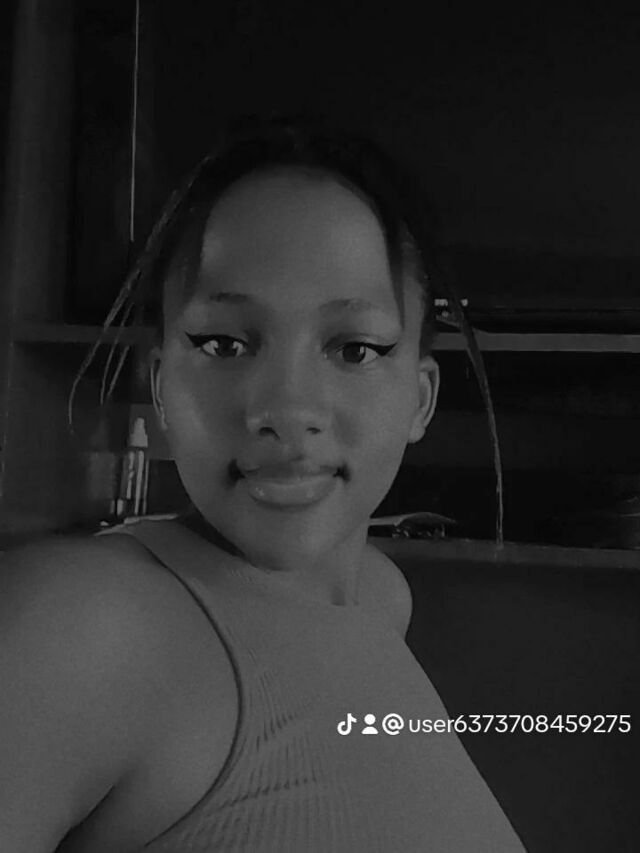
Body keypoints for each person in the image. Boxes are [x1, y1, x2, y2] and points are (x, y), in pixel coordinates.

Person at [0, 115, 526, 851]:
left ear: (421, 398)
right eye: (224, 342)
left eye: (354, 349)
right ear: (161, 386)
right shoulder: (78, 625)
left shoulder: (382, 600)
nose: (285, 408)